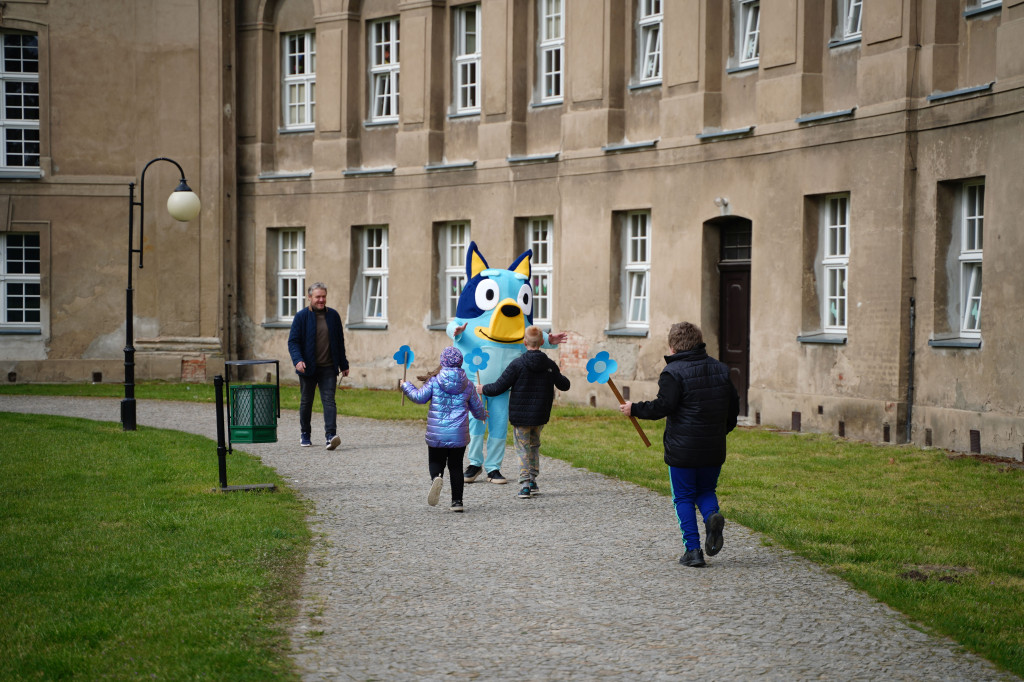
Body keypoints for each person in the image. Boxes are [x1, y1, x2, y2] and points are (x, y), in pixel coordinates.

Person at [619, 322, 739, 568]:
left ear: (672, 346)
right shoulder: (721, 369)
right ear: (699, 341)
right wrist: (720, 431)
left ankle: (693, 551)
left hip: (682, 449)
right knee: (706, 490)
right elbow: (733, 408)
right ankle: (711, 517)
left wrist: (635, 409)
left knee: (683, 497)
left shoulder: (673, 372)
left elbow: (663, 406)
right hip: (713, 446)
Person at [480, 326, 570, 499]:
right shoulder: (549, 365)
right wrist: (556, 374)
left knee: (522, 448)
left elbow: (499, 386)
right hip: (540, 415)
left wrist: (481, 388)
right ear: (542, 342)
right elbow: (564, 385)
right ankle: (533, 479)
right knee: (535, 445)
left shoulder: (517, 364)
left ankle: (525, 484)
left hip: (520, 416)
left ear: (524, 342)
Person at [402, 346, 488, 512]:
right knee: (456, 467)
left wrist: (406, 386)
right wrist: (483, 415)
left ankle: (436, 478)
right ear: (460, 362)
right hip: (458, 435)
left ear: (442, 362)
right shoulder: (468, 384)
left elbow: (419, 397)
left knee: (435, 461)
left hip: (437, 433)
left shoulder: (435, 381)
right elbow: (477, 409)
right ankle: (457, 502)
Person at [287, 282, 349, 450]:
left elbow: (339, 342)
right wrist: (298, 360)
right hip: (307, 368)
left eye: (323, 297)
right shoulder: (301, 317)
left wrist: (344, 364)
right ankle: (305, 433)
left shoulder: (333, 316)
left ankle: (331, 436)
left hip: (329, 367)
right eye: (317, 297)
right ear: (309, 298)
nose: (321, 300)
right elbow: (293, 342)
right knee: (306, 401)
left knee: (329, 401)